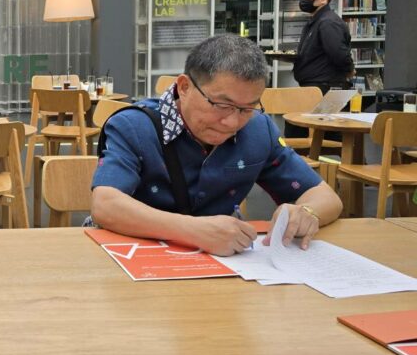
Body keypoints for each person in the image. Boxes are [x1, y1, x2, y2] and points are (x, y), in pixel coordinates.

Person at [90, 34, 342, 256]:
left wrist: (307, 212)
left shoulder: (258, 129)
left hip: (222, 262)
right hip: (131, 256)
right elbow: (106, 204)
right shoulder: (133, 126)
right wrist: (193, 230)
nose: (232, 122)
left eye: (247, 108)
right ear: (185, 87)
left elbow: (325, 196)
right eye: (221, 105)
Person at [291, 0, 354, 93]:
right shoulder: (316, 21)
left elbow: (338, 53)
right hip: (315, 86)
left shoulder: (328, 22)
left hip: (324, 87)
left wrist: (349, 69)